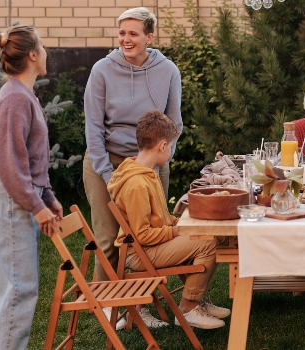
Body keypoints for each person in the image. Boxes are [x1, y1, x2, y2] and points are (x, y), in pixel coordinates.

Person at [83, 7, 182, 286]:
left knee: (152, 233)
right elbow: (93, 127)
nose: (126, 39)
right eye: (122, 33)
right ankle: (106, 302)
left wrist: (161, 158)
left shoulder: (168, 71)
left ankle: (142, 303)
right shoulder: (102, 70)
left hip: (150, 162)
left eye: (133, 34)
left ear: (149, 38)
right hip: (107, 160)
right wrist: (108, 175)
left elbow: (175, 123)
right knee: (109, 240)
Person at [107, 110, 230, 329]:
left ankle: (197, 301)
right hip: (138, 254)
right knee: (207, 242)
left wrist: (178, 222)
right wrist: (176, 231)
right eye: (171, 146)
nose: (171, 151)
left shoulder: (148, 172)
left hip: (152, 245)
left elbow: (159, 218)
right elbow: (141, 234)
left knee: (217, 234)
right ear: (162, 146)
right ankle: (188, 308)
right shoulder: (136, 184)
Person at [0, 25, 63, 349]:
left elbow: (28, 159)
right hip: (9, 198)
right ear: (32, 54)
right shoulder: (15, 97)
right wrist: (38, 207)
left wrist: (47, 196)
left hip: (15, 197)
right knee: (18, 290)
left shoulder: (22, 94)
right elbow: (10, 165)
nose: (46, 52)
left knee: (17, 289)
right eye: (42, 47)